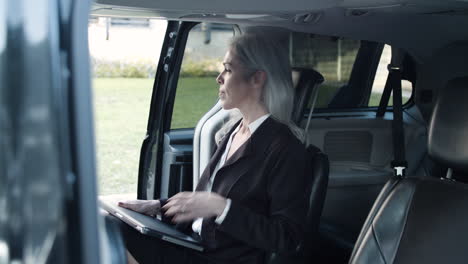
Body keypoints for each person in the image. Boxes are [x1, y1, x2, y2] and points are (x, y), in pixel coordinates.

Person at [116, 32, 311, 264]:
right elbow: (204, 202)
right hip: (193, 245)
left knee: (110, 232)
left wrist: (221, 207)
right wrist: (158, 207)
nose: (219, 78)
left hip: (220, 258)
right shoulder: (234, 129)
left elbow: (287, 238)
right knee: (109, 224)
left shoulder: (286, 149)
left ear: (257, 79)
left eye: (228, 69)